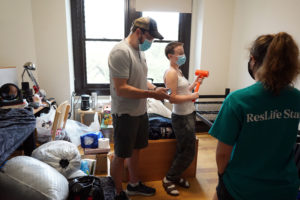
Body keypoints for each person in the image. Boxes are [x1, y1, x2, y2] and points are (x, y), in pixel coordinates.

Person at [210, 32, 300, 200]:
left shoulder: (237, 100)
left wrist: (223, 180)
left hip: (242, 189)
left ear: (253, 59)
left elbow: (222, 155)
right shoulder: (296, 98)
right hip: (284, 188)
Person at [108, 16, 169, 200]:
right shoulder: (121, 52)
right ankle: (117, 192)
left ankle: (134, 184)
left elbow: (140, 80)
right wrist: (152, 95)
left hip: (140, 111)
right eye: (150, 37)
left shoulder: (140, 52)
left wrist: (154, 88)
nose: (151, 42)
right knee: (120, 154)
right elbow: (121, 88)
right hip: (125, 113)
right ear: (138, 32)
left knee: (136, 150)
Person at [162, 41, 204, 196]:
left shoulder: (178, 70)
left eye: (183, 52)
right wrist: (192, 96)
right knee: (189, 152)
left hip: (188, 114)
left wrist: (195, 84)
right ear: (170, 56)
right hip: (181, 117)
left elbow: (183, 91)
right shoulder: (171, 73)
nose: (183, 55)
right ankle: (168, 179)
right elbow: (172, 98)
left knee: (182, 149)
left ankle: (176, 176)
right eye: (179, 53)